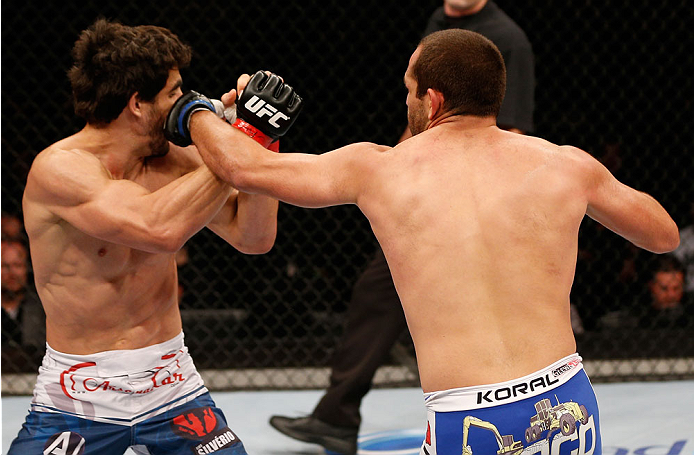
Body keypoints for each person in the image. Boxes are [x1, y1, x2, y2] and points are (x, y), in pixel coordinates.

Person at [178, 29, 679, 454]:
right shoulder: (565, 163)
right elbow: (663, 235)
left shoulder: (380, 170)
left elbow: (242, 168)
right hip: (569, 399)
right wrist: (587, 190)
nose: (405, 100)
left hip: (471, 418)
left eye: (409, 90)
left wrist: (189, 110)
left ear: (433, 99)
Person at [9, 18, 301, 455]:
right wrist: (239, 140)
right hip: (77, 397)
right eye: (174, 92)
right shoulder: (61, 169)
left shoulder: (176, 161)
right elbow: (158, 229)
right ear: (137, 104)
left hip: (173, 385)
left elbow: (253, 237)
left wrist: (261, 143)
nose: (188, 101)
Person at [269, 0, 535, 451]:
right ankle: (336, 413)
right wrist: (398, 172)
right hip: (423, 188)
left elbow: (509, 134)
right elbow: (426, 116)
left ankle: (342, 412)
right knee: (378, 293)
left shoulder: (507, 39)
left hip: (470, 199)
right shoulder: (440, 22)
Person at [1, 239, 44, 349]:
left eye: (18, 265)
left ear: (27, 268)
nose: (12, 273)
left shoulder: (42, 307)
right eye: (4, 266)